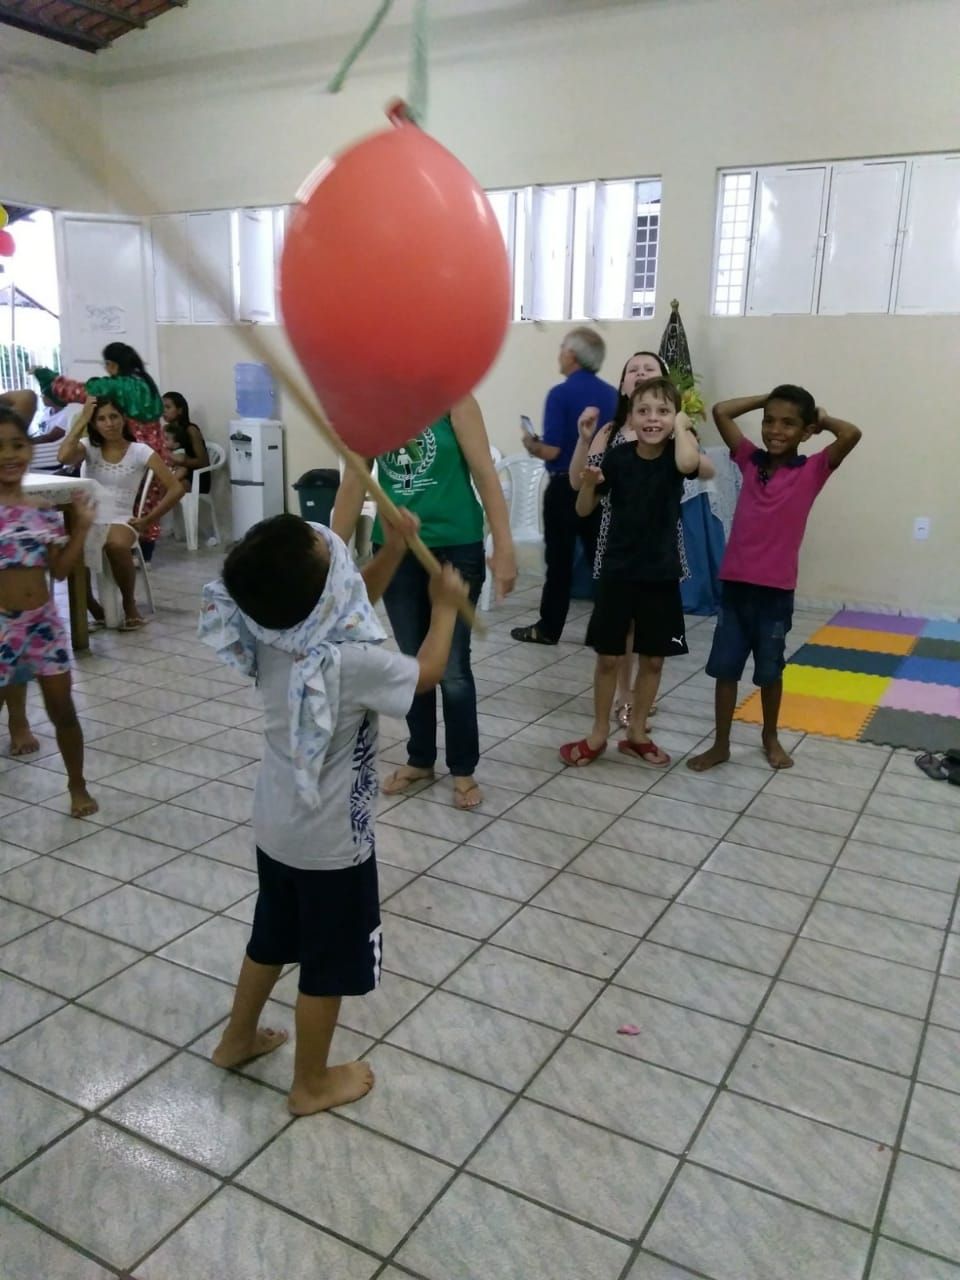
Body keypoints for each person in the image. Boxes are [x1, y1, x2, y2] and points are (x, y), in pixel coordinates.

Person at [199, 511, 469, 1115]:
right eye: (327, 547)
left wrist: (395, 548)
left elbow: (344, 596)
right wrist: (445, 607)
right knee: (328, 963)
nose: (330, 539)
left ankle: (236, 1039)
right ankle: (310, 1084)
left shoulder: (271, 629)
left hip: (276, 825)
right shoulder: (350, 663)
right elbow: (425, 673)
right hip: (331, 848)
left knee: (271, 935)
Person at [332, 394, 517, 811]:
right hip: (397, 549)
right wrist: (333, 553)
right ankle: (420, 758)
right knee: (413, 661)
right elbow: (353, 482)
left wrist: (504, 544)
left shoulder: (456, 401)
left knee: (451, 667)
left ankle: (464, 768)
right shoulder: (369, 408)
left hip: (457, 546)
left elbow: (485, 474)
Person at [688, 387, 862, 773]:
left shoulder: (814, 469)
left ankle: (770, 736)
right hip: (735, 588)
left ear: (806, 431)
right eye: (769, 420)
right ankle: (721, 744)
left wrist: (821, 417)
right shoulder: (749, 459)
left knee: (770, 671)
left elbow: (850, 434)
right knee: (725, 669)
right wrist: (768, 396)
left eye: (788, 423)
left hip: (775, 593)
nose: (775, 430)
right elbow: (721, 411)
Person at [563, 377, 715, 768]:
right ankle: (598, 732)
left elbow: (690, 465)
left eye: (663, 411)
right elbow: (583, 509)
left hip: (661, 574)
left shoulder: (679, 454)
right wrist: (589, 484)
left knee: (653, 660)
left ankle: (637, 732)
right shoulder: (617, 457)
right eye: (644, 411)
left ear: (675, 417)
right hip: (618, 572)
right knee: (609, 658)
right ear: (631, 416)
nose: (653, 419)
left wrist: (682, 428)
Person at [0, 405, 98, 815]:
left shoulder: (41, 507)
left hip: (43, 625)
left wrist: (82, 528)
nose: (9, 454)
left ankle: (77, 785)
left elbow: (59, 572)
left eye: (18, 444)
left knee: (64, 712)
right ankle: (16, 722)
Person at [569, 350, 670, 727]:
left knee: (651, 637)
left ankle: (642, 699)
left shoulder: (672, 430)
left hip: (658, 547)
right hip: (616, 544)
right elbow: (579, 484)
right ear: (624, 385)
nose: (641, 374)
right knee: (620, 631)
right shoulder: (609, 432)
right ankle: (623, 697)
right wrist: (583, 441)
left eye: (650, 369)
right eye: (633, 370)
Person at [511, 326, 618, 646]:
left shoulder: (560, 394)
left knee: (559, 562)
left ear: (571, 354)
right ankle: (606, 630)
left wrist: (532, 444)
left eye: (561, 348)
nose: (559, 354)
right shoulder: (612, 394)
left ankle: (548, 628)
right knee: (600, 560)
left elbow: (555, 450)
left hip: (563, 488)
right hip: (599, 486)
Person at [33, 343, 171, 559]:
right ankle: (144, 553)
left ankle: (119, 551)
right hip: (157, 452)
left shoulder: (115, 386)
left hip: (128, 450)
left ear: (112, 365)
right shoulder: (147, 384)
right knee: (145, 501)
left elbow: (77, 391)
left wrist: (45, 376)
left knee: (123, 501)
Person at [58, 396, 184, 630]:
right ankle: (92, 606)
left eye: (114, 416)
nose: (109, 423)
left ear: (123, 419)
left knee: (116, 544)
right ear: (93, 424)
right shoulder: (88, 447)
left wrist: (149, 519)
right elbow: (63, 457)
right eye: (101, 419)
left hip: (122, 517)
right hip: (89, 516)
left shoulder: (139, 451)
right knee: (71, 546)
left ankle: (129, 604)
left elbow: (176, 487)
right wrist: (81, 421)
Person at [162, 391, 211, 492]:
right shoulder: (165, 429)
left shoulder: (191, 429)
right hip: (173, 470)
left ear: (180, 410)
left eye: (168, 407)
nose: (163, 411)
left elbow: (203, 462)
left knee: (173, 488)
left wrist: (182, 461)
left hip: (195, 475)